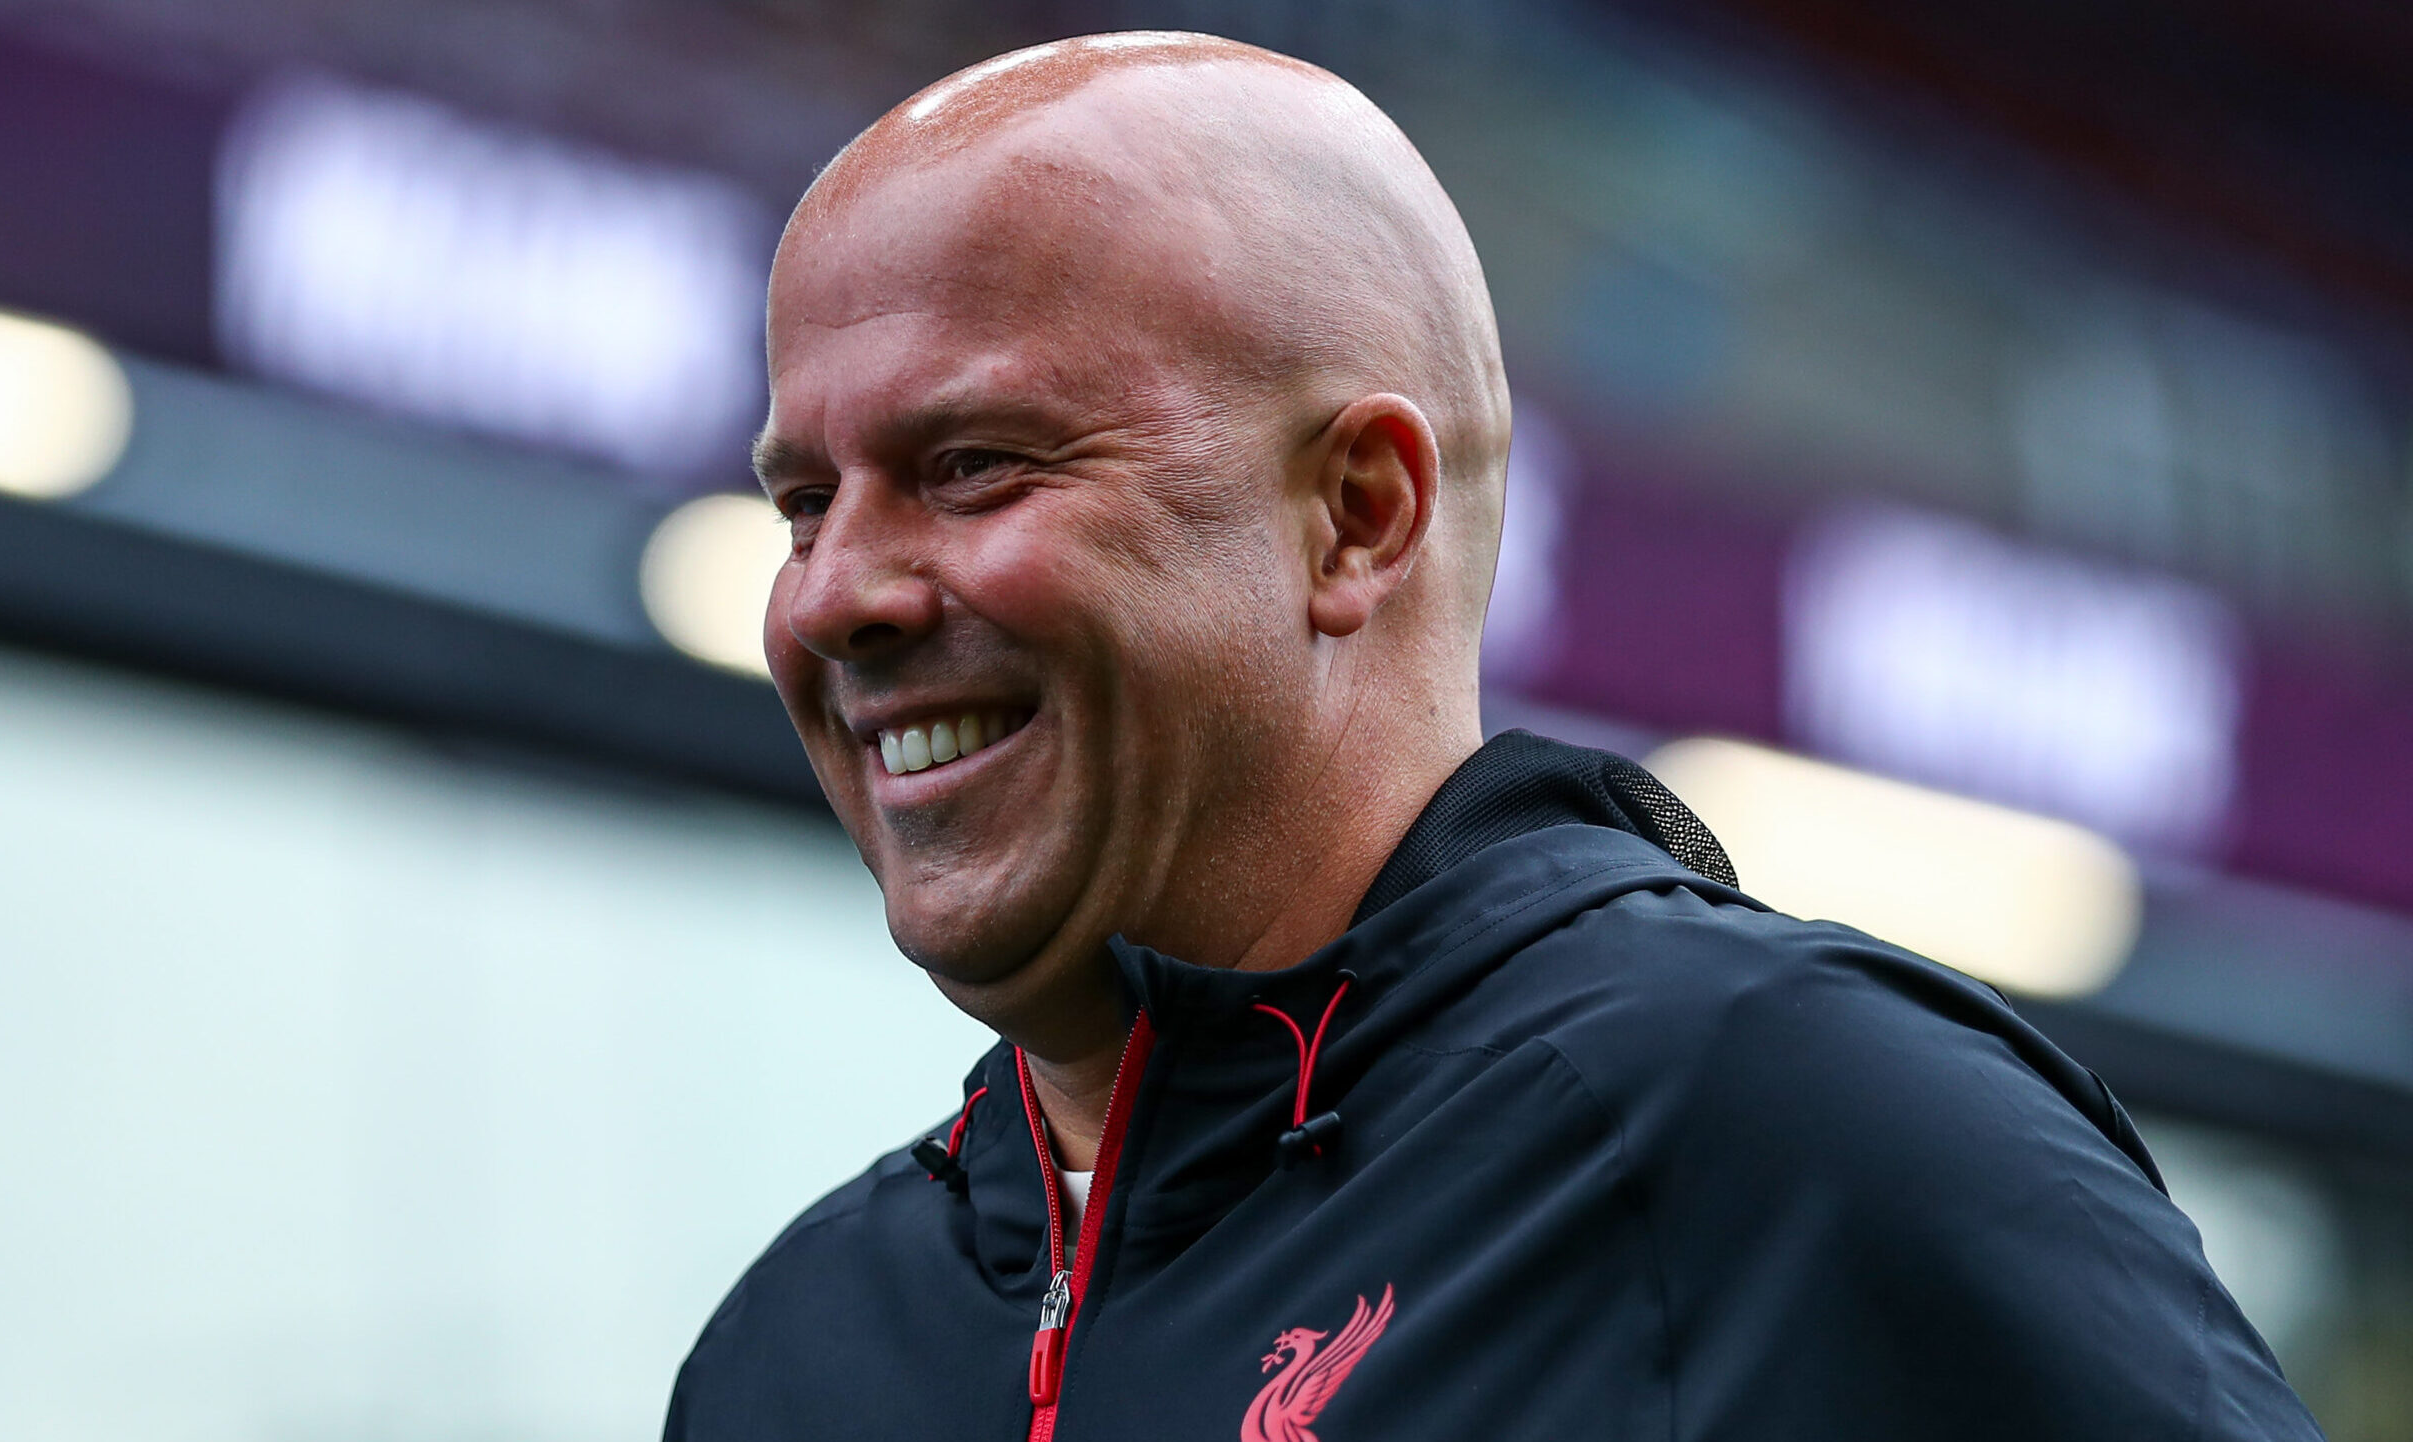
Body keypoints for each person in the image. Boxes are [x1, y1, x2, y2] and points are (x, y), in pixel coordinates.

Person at [666, 31, 2321, 1440]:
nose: (834, 596)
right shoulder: (792, 1356)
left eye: (973, 467)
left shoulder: (1794, 1125)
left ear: (1358, 514)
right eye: (805, 502)